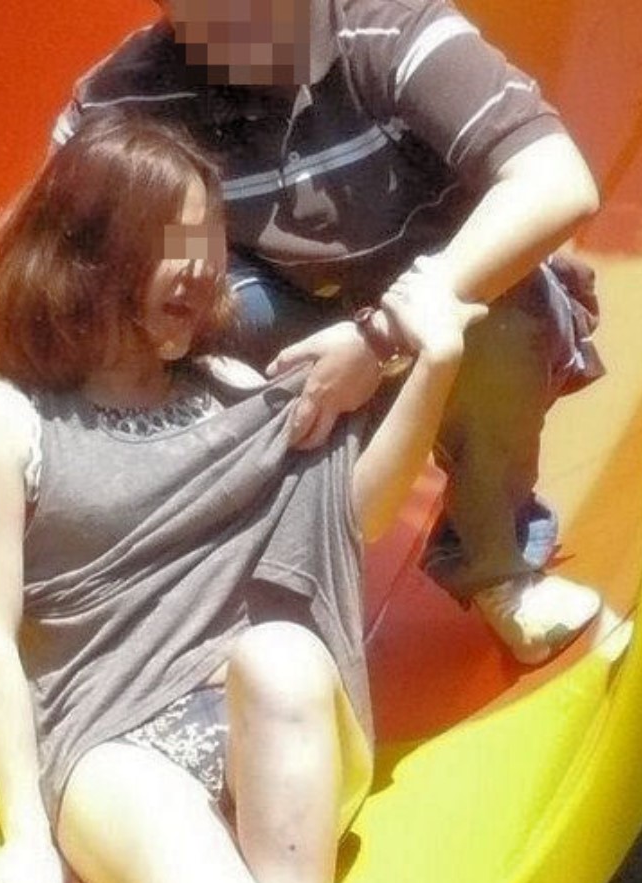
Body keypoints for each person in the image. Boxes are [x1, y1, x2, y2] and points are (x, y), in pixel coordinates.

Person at [0, 110, 484, 883]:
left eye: (209, 245)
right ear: (92, 254)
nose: (204, 276)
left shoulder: (232, 382)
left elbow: (345, 523)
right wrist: (26, 834)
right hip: (114, 734)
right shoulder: (8, 419)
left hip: (268, 733)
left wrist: (432, 369)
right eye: (175, 249)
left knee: (280, 652)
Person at [54, 0, 606, 666]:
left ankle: (497, 557)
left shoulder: (384, 29)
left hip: (435, 297)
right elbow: (47, 277)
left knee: (502, 312)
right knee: (168, 306)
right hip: (283, 330)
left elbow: (557, 181)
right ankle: (230, 579)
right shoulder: (128, 98)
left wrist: (380, 339)